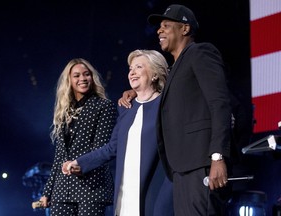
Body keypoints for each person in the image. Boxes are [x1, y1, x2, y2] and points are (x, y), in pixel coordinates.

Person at [118, 4, 232, 216]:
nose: (159, 31)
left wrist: (217, 156)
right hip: (181, 169)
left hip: (202, 164)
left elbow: (220, 104)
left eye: (166, 25)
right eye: (159, 27)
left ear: (185, 29)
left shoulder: (200, 53)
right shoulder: (175, 69)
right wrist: (135, 91)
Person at [62, 49, 174, 216]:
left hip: (155, 189)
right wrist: (80, 162)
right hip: (126, 191)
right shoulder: (126, 107)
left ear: (155, 74)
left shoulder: (167, 104)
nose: (132, 72)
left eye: (139, 67)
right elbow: (113, 147)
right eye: (130, 68)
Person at [39, 58, 117, 216]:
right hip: (63, 188)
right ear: (69, 80)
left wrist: (79, 165)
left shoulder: (104, 106)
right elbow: (60, 155)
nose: (82, 78)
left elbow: (102, 149)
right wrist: (48, 191)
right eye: (76, 75)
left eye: (86, 74)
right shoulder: (64, 110)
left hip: (91, 186)